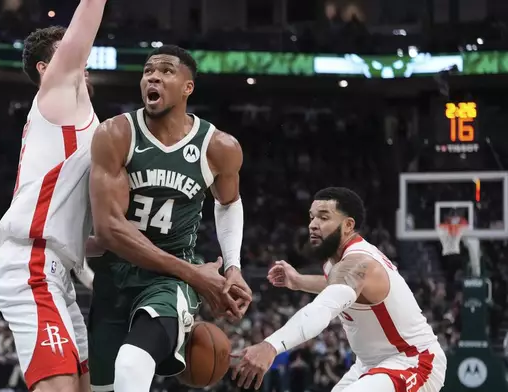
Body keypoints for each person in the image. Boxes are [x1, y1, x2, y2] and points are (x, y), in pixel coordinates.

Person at [88, 44, 253, 392]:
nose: (153, 77)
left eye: (165, 71)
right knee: (103, 386)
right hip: (114, 274)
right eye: (148, 71)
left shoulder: (219, 146)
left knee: (132, 361)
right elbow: (108, 229)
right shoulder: (116, 134)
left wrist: (233, 265)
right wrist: (197, 274)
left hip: (169, 281)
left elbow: (228, 203)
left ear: (187, 87)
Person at [0, 1, 107, 391]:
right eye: (68, 49)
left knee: (94, 386)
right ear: (45, 68)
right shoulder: (56, 98)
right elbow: (83, 27)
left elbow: (77, 232)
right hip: (32, 265)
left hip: (58, 273)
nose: (80, 55)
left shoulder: (84, 121)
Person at [231, 187, 447, 391]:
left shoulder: (358, 263)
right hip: (369, 364)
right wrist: (298, 281)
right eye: (312, 217)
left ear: (348, 225)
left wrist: (271, 345)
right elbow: (338, 289)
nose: (313, 225)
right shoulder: (335, 262)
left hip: (413, 360)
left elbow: (323, 308)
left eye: (323, 217)